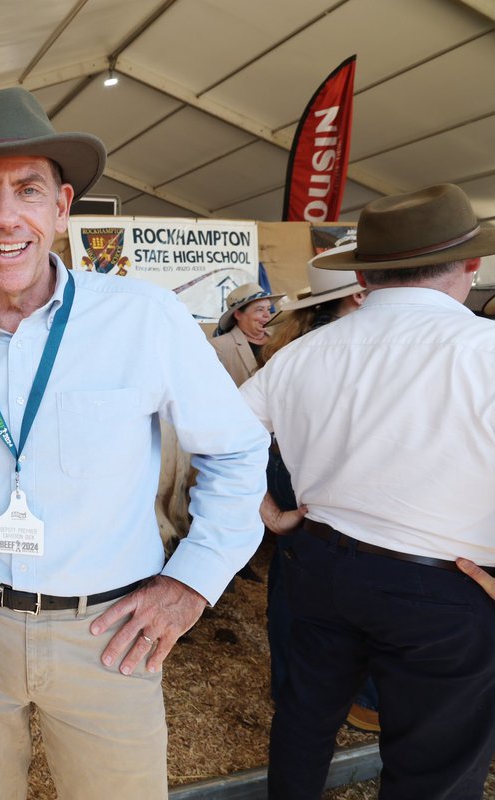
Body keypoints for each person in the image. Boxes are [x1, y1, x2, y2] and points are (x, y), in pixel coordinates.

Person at [0, 86, 270, 798]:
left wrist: (192, 582)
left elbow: (240, 451)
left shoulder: (144, 320)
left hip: (110, 632)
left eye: (28, 191)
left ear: (61, 208)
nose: (7, 217)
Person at [239, 183, 495, 799]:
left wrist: (270, 514)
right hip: (447, 584)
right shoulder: (485, 353)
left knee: (303, 722)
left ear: (364, 274)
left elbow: (221, 441)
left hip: (322, 565)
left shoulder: (301, 355)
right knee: (434, 764)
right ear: (471, 265)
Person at [255, 247, 379, 730]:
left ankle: (294, 691)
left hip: (291, 470)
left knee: (295, 584)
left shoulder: (296, 347)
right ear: (357, 297)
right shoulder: (349, 350)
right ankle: (358, 698)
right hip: (321, 473)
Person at [211, 282, 284, 385]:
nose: (267, 315)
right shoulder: (219, 347)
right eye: (259, 310)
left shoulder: (281, 339)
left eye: (268, 309)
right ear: (238, 315)